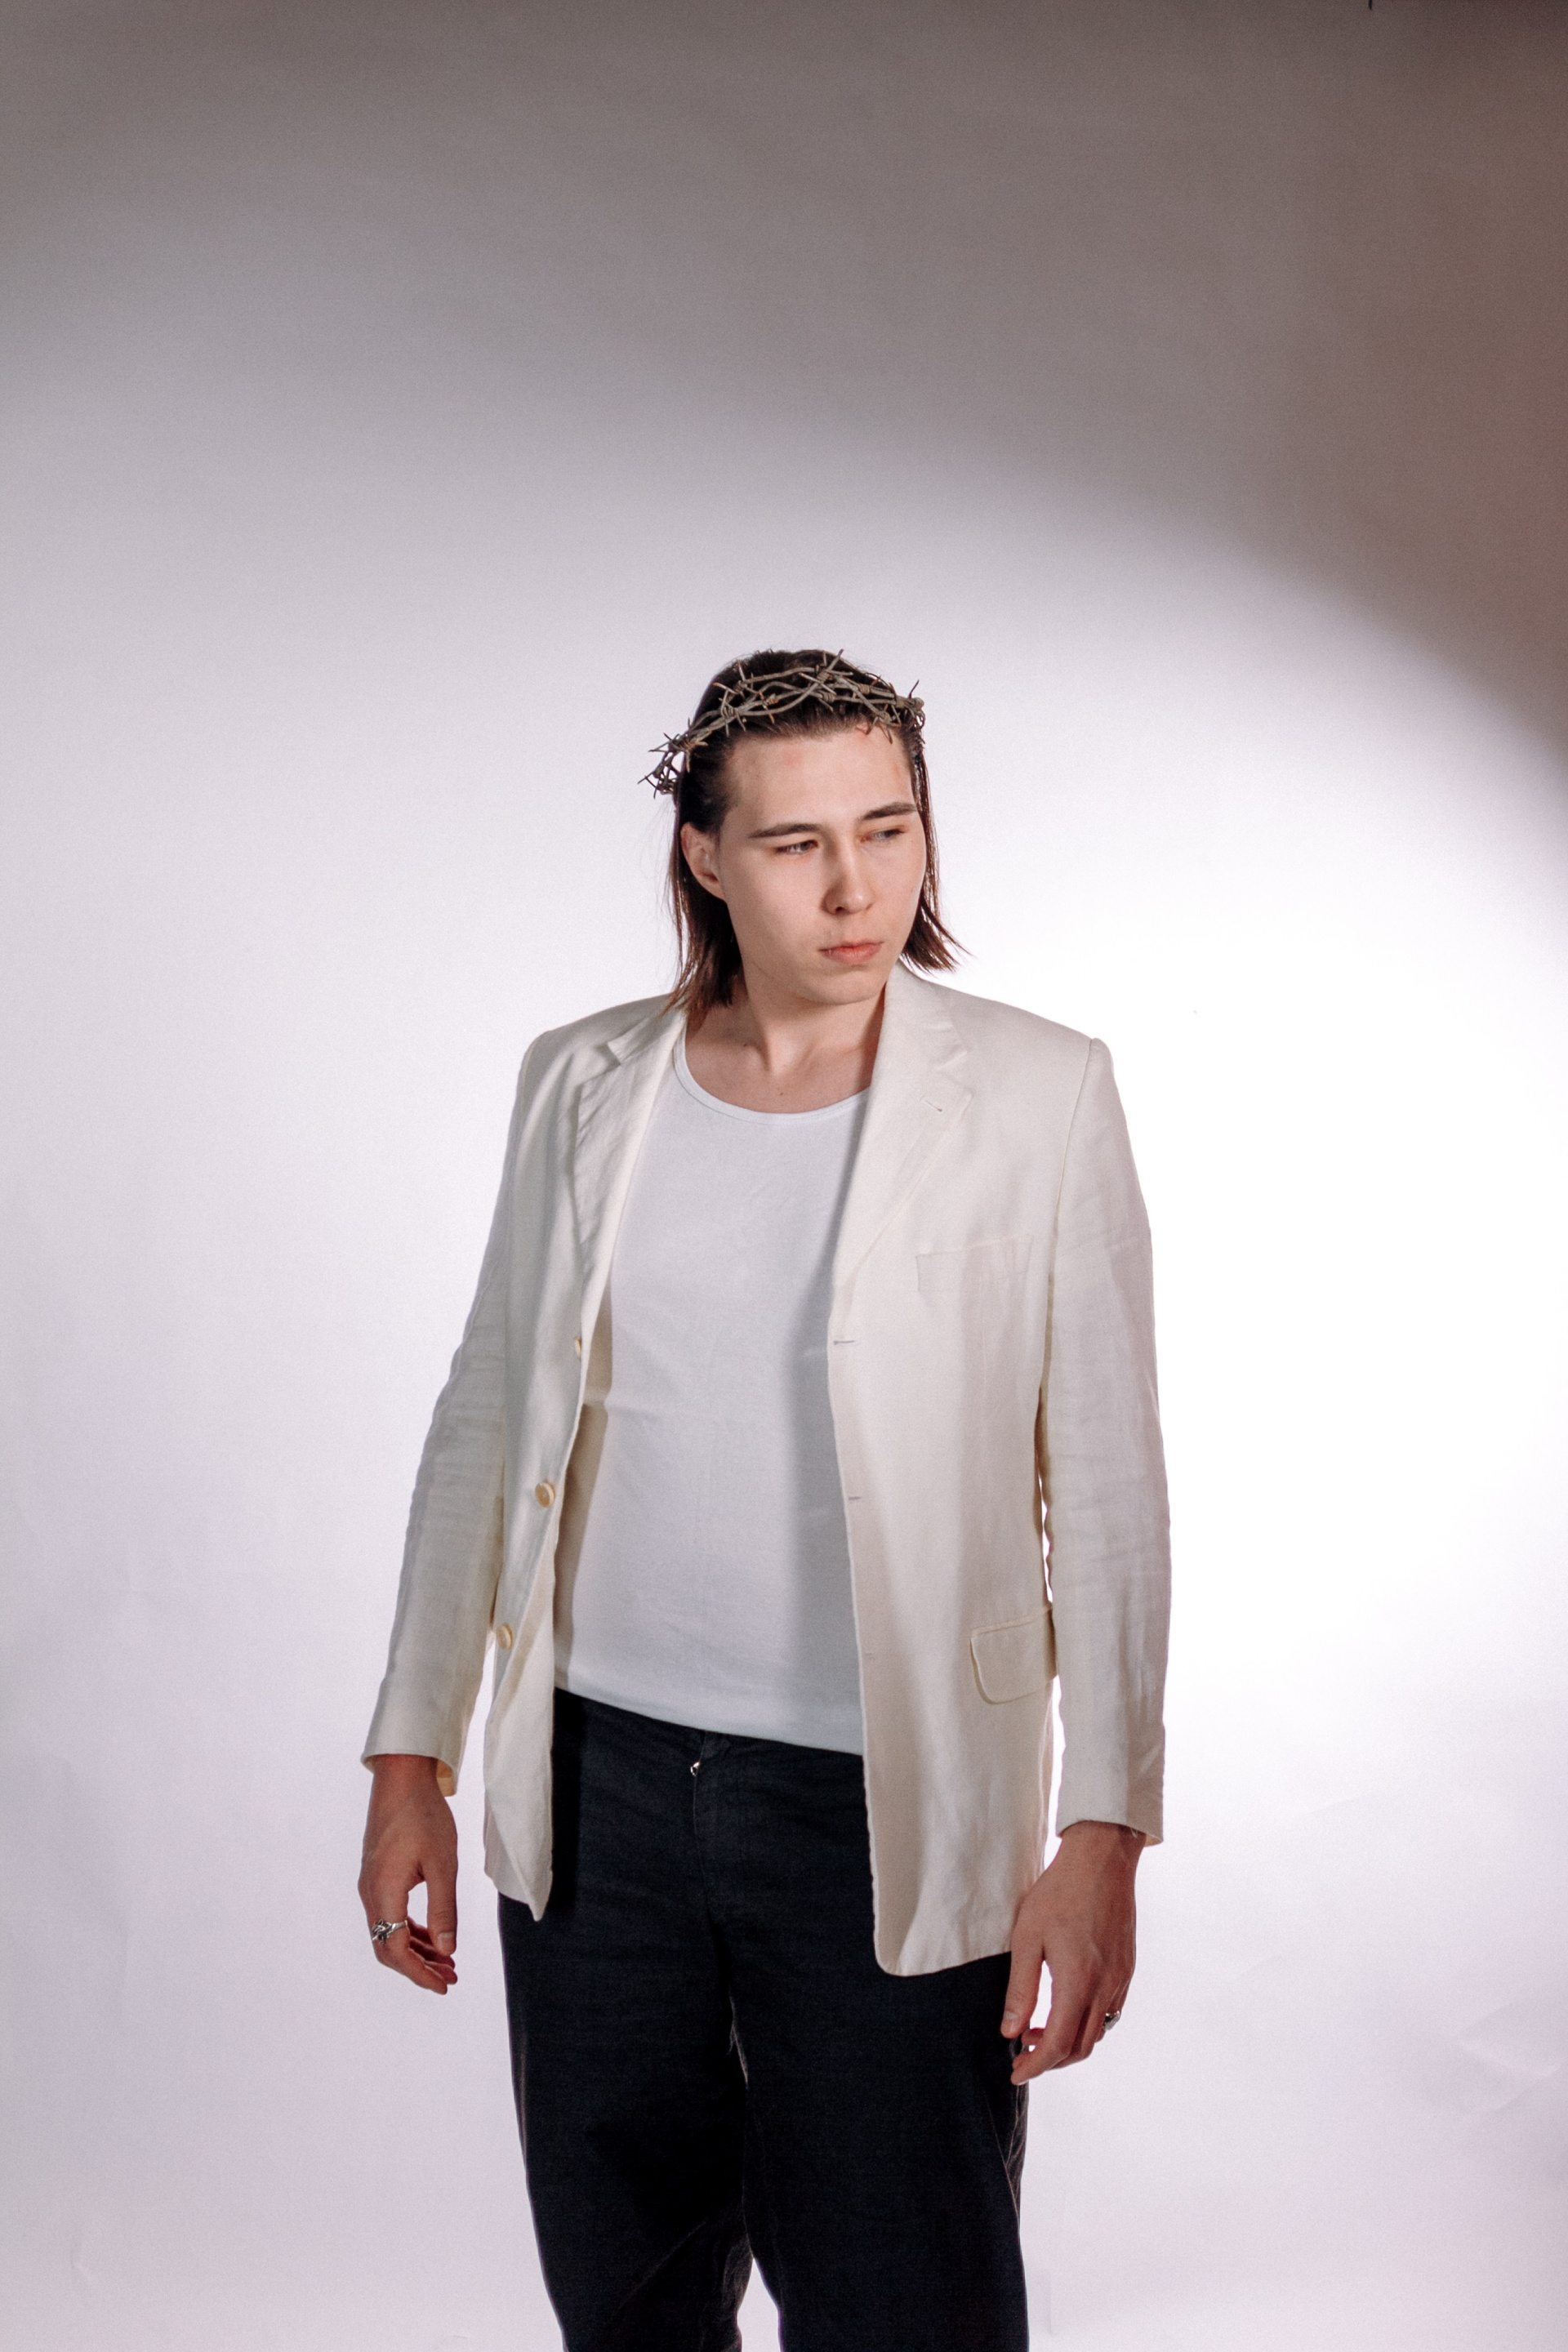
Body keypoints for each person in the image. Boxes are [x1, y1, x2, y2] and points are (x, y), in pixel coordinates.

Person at [359, 649, 1170, 2352]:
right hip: (597, 1790)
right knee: (626, 2300)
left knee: (907, 2303)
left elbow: (1103, 1486)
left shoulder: (1039, 1094)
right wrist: (410, 1756)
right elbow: (487, 1413)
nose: (857, 886)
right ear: (706, 857)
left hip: (882, 1796)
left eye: (890, 829)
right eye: (799, 843)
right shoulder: (584, 1080)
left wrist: (1103, 1834)